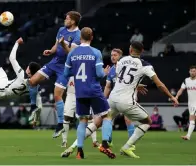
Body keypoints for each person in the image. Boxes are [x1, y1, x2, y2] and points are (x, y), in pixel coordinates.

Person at [60, 49, 147, 158]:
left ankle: (78, 148)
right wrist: (103, 100)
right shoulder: (112, 70)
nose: (113, 57)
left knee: (113, 120)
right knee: (101, 121)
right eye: (111, 55)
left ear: (121, 56)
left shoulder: (122, 67)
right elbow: (108, 86)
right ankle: (114, 144)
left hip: (118, 98)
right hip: (119, 100)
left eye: (115, 55)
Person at [108, 41, 178, 158]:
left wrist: (135, 84)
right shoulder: (145, 65)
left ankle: (75, 146)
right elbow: (159, 85)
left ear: (130, 49)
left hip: (112, 98)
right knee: (147, 121)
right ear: (142, 51)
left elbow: (119, 78)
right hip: (126, 101)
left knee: (100, 121)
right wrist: (172, 97)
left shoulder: (122, 60)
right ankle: (127, 146)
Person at [64, 27, 115, 159]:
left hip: (79, 91)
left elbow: (66, 73)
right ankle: (104, 144)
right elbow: (99, 74)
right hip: (93, 89)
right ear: (92, 37)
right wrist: (104, 73)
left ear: (80, 38)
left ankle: (79, 151)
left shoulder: (72, 53)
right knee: (107, 115)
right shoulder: (96, 52)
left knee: (83, 120)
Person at [28, 11, 81, 138]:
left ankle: (60, 123)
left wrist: (63, 44)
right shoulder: (62, 29)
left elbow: (71, 54)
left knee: (57, 95)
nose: (65, 20)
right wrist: (51, 51)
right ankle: (33, 106)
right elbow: (56, 45)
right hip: (54, 62)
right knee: (32, 81)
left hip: (66, 67)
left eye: (67, 19)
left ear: (73, 21)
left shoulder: (78, 35)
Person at [61, 76, 99, 148]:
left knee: (89, 118)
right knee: (66, 118)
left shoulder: (84, 70)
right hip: (70, 95)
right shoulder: (68, 72)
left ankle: (94, 140)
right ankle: (64, 141)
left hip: (82, 95)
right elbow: (62, 87)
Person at [175, 65, 196, 140]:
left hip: (195, 104)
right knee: (192, 120)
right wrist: (176, 97)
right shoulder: (186, 80)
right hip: (190, 103)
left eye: (194, 71)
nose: (193, 72)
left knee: (192, 119)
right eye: (191, 71)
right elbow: (181, 90)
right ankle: (188, 136)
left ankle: (188, 136)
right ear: (189, 72)